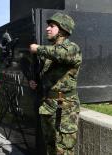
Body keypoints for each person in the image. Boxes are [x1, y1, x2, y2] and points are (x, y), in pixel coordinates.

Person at [29, 12, 82, 155]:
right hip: (48, 106)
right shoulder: (50, 53)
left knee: (63, 150)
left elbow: (62, 54)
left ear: (63, 30)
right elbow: (49, 78)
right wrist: (36, 83)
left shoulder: (72, 48)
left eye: (52, 26)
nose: (47, 29)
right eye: (48, 26)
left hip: (65, 108)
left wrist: (37, 48)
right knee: (50, 147)